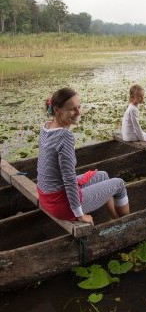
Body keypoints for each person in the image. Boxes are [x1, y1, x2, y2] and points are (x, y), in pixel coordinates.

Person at [37, 88, 130, 226]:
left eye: (79, 107)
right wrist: (80, 215)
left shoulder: (46, 127)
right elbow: (68, 179)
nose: (79, 112)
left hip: (46, 197)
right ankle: (128, 223)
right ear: (57, 110)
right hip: (61, 204)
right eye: (72, 109)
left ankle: (114, 219)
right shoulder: (64, 136)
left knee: (103, 175)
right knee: (119, 184)